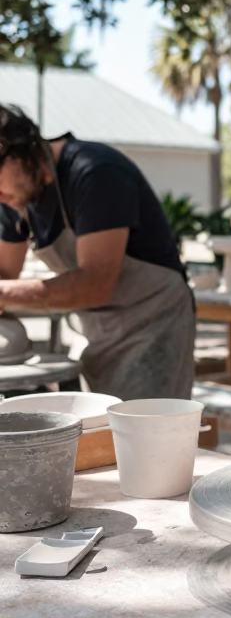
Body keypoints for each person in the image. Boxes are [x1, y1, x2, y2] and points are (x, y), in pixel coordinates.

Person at [0, 105, 195, 399]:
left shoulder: (95, 173)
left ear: (18, 154)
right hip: (94, 330)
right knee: (96, 437)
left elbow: (95, 284)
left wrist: (4, 294)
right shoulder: (15, 195)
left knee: (146, 438)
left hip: (152, 325)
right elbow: (4, 275)